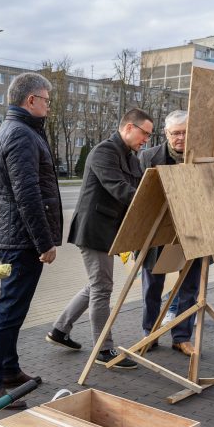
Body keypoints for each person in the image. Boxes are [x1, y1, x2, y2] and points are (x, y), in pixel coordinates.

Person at [0, 72, 64, 409]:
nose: (48, 106)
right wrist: (44, 243)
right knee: (9, 310)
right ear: (30, 101)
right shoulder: (22, 135)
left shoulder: (17, 130)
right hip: (21, 240)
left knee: (15, 307)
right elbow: (27, 195)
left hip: (16, 235)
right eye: (46, 100)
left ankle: (8, 370)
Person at [48, 108, 155, 369]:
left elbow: (140, 186)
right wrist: (152, 204)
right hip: (95, 230)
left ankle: (60, 330)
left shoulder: (131, 157)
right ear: (129, 127)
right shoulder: (104, 152)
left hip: (112, 231)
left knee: (97, 285)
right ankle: (103, 349)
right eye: (145, 134)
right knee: (101, 287)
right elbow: (119, 189)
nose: (147, 140)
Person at [138, 110, 201, 356]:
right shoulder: (148, 157)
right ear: (166, 133)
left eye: (185, 132)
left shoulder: (201, 158)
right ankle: (149, 334)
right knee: (152, 286)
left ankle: (182, 337)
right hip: (158, 232)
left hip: (193, 232)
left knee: (189, 288)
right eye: (176, 133)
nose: (181, 138)